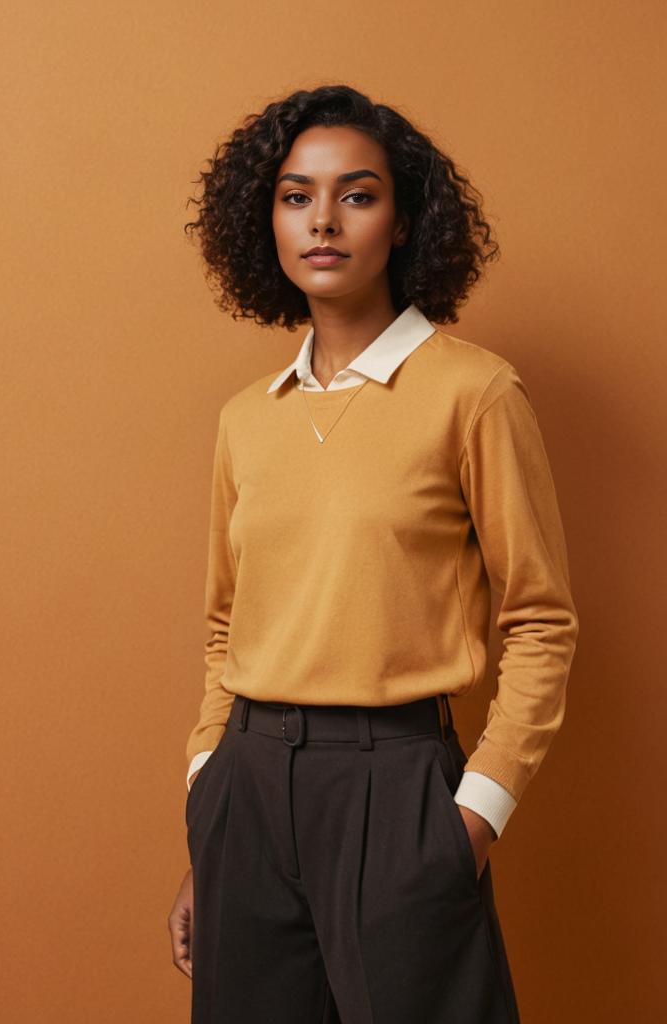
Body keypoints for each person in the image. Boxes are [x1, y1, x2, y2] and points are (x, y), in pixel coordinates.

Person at [167, 83, 579, 1024]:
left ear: (403, 222)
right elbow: (229, 626)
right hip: (247, 787)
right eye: (294, 195)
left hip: (396, 787)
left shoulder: (473, 393)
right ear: (263, 220)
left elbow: (540, 619)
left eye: (357, 194)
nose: (323, 220)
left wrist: (474, 817)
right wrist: (208, 803)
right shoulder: (245, 419)